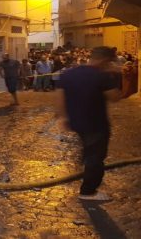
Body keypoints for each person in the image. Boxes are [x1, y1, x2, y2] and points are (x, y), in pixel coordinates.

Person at [57, 46, 122, 201]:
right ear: (106, 60)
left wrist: (63, 117)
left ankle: (84, 164)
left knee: (88, 148)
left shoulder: (68, 74)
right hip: (96, 124)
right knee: (96, 157)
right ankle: (88, 191)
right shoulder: (103, 77)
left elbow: (59, 98)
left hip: (76, 122)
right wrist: (117, 77)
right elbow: (115, 97)